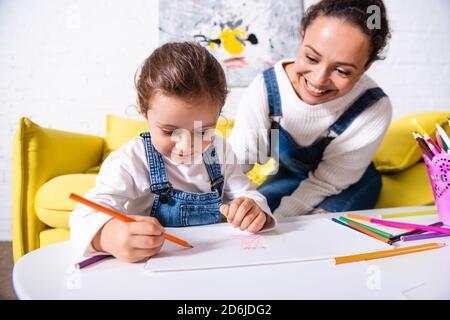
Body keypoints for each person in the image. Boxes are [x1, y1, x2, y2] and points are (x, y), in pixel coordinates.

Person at [70, 42, 277, 263]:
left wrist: (254, 212)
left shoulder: (219, 150)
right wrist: (110, 236)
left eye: (202, 131)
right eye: (169, 132)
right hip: (154, 270)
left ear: (219, 113)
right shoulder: (131, 161)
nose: (185, 146)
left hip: (212, 265)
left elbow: (247, 194)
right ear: (143, 109)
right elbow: (84, 216)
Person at [228, 0, 392, 217]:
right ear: (302, 35)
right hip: (289, 177)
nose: (318, 79)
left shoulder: (373, 108)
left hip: (346, 183)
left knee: (319, 229)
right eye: (312, 58)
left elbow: (325, 183)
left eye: (342, 71)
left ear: (366, 66)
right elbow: (237, 161)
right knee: (254, 216)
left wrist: (282, 220)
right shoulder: (266, 90)